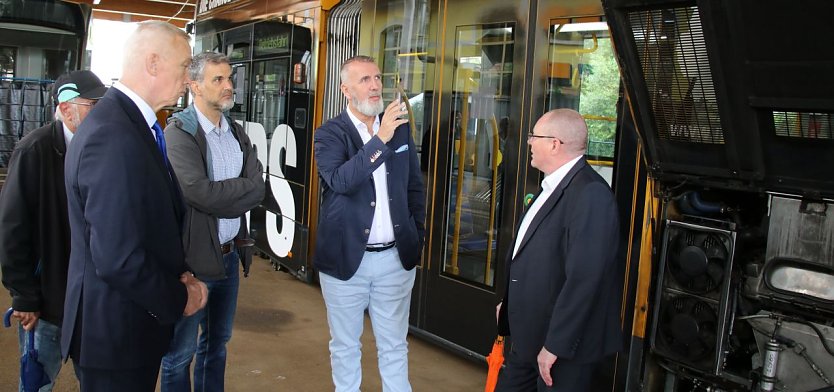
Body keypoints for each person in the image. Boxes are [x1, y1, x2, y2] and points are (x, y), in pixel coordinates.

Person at [61, 21, 207, 392]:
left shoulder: (131, 125)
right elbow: (117, 257)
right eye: (186, 65)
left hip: (126, 329)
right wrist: (180, 297)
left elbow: (147, 224)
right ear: (154, 63)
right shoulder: (114, 135)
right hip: (115, 337)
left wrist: (181, 273)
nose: (190, 78)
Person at [313, 55, 426, 392]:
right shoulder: (330, 133)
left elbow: (414, 186)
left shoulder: (401, 129)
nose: (375, 85)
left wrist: (416, 234)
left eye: (377, 77)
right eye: (365, 80)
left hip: (395, 260)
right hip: (345, 261)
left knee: (394, 345)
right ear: (345, 89)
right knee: (346, 346)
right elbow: (340, 181)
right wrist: (381, 139)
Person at [495, 109, 621, 391]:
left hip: (562, 349)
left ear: (554, 143)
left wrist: (555, 345)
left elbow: (585, 279)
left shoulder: (591, 194)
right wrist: (510, 301)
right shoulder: (552, 185)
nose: (529, 142)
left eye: (534, 136)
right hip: (530, 337)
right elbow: (533, 255)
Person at [160, 51, 264, 392]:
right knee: (179, 354)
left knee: (217, 344)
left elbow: (258, 185)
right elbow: (198, 193)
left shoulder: (235, 131)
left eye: (229, 78)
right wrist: (238, 194)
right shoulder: (179, 133)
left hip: (230, 257)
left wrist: (229, 195)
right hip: (195, 263)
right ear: (194, 87)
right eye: (218, 79)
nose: (228, 86)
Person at [0, 70, 106, 391]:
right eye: (93, 105)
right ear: (66, 107)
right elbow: (13, 231)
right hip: (47, 303)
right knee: (37, 383)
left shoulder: (103, 150)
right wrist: (24, 296)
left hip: (92, 300)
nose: (102, 112)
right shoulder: (34, 151)